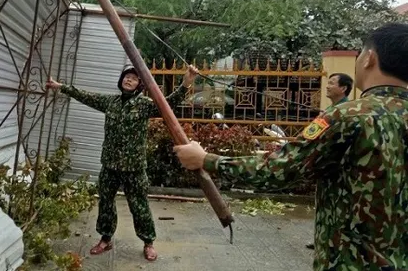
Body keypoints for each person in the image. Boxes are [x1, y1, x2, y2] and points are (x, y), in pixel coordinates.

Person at [174, 22, 408, 271]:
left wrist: (207, 159)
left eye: (361, 53)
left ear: (369, 58)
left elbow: (278, 170)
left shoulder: (348, 116)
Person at [46, 64, 198, 261]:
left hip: (134, 167)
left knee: (139, 206)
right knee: (106, 203)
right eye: (127, 77)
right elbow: (85, 96)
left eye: (134, 78)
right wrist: (60, 86)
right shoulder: (111, 102)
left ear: (139, 84)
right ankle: (105, 239)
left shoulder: (144, 104)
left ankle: (148, 242)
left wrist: (186, 82)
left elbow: (168, 104)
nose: (129, 80)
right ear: (121, 80)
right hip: (110, 165)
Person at [305, 72, 355, 250]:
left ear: (343, 88)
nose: (327, 85)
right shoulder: (332, 111)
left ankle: (331, 242)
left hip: (338, 174)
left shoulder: (342, 113)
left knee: (335, 210)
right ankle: (322, 239)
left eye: (332, 83)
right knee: (323, 207)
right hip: (327, 172)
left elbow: (309, 140)